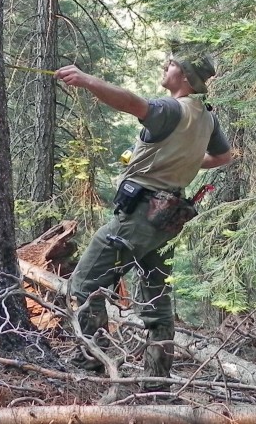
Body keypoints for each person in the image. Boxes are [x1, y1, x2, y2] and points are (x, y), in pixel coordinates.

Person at [54, 45, 232, 393]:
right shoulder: (206, 117)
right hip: (167, 222)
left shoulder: (169, 109)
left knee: (85, 284)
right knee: (156, 301)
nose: (165, 68)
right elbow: (223, 157)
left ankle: (94, 362)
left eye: (170, 65)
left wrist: (86, 79)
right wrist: (184, 161)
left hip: (139, 217)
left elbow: (132, 102)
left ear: (183, 76)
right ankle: (157, 381)